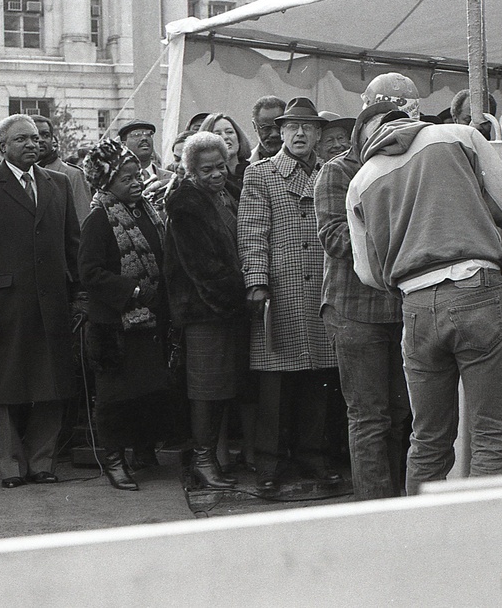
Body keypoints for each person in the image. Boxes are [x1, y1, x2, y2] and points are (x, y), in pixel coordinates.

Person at [346, 110, 502, 494]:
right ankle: (480, 529)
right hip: (477, 291)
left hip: (416, 306)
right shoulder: (458, 136)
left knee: (428, 439)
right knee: (494, 434)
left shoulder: (360, 181)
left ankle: (425, 529)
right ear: (413, 117)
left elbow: (368, 273)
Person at [0, 114, 81, 489]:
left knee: (51, 384)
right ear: (2, 147)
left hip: (53, 301)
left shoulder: (58, 183)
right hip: (5, 304)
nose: (32, 144)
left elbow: (72, 245)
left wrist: (80, 296)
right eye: (22, 139)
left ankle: (42, 462)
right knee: (6, 386)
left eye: (36, 139)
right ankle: (10, 465)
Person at [238, 97, 340, 493]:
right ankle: (270, 463)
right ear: (280, 132)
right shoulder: (260, 174)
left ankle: (314, 456)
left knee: (318, 377)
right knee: (275, 382)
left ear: (317, 133)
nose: (299, 134)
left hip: (323, 288)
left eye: (307, 127)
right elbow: (252, 232)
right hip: (281, 290)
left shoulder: (331, 173)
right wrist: (256, 282)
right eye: (292, 127)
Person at [315, 102, 410, 500]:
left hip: (400, 311)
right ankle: (374, 509)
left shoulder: (406, 165)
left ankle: (396, 504)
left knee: (400, 416)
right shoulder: (338, 171)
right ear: (362, 133)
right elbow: (334, 237)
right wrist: (399, 246)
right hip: (354, 312)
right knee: (370, 417)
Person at [79, 138, 169, 491]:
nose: (135, 183)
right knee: (115, 396)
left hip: (148, 319)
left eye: (136, 176)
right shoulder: (99, 219)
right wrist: (132, 290)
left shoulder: (146, 211)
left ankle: (143, 451)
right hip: (114, 324)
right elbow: (90, 272)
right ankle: (115, 460)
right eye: (125, 178)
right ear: (106, 183)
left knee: (147, 391)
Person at [164, 131, 251, 489]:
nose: (216, 174)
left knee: (221, 386)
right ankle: (202, 460)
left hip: (224, 307)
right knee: (206, 389)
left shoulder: (227, 193)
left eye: (220, 166)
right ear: (190, 171)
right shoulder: (186, 204)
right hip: (204, 309)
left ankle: (211, 457)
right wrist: (240, 292)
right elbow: (203, 268)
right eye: (206, 170)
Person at [33, 115, 94, 223]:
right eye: (35, 136)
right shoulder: (20, 174)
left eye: (46, 135)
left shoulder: (72, 175)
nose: (41, 140)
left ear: (52, 139)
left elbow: (83, 220)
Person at [119, 120, 174, 210]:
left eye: (148, 134)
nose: (144, 138)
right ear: (123, 144)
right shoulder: (116, 182)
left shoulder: (170, 178)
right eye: (137, 134)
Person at [199, 113, 252, 197]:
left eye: (229, 132)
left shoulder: (254, 171)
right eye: (217, 134)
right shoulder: (205, 180)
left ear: (238, 137)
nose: (225, 137)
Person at [249, 96, 286, 163]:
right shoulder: (246, 164)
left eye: (279, 127)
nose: (274, 134)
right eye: (266, 128)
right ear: (255, 126)